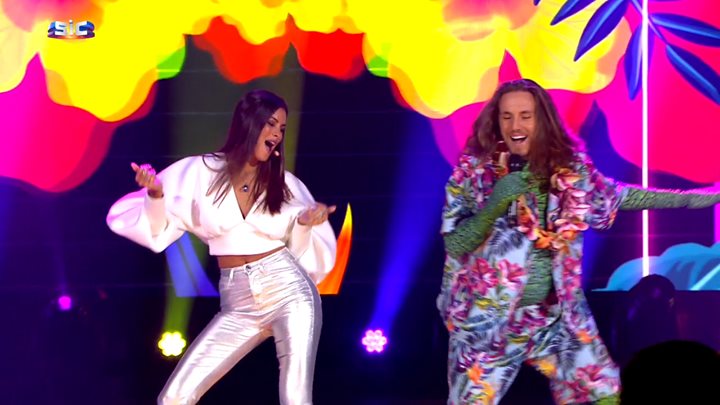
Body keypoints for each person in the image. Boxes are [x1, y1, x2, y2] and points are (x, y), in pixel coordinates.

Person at [436, 78, 720, 405]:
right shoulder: (473, 173)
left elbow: (622, 196)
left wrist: (695, 199)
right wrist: (495, 204)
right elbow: (456, 243)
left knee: (607, 395)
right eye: (507, 116)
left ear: (543, 120)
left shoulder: (571, 170)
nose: (516, 126)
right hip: (488, 319)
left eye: (526, 116)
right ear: (496, 121)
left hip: (558, 320)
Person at [106, 89, 337, 405]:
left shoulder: (284, 183)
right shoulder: (200, 171)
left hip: (288, 291)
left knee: (295, 397)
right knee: (173, 397)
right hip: (238, 301)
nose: (276, 135)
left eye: (282, 128)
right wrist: (156, 195)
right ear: (249, 124)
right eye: (270, 124)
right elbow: (156, 230)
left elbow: (300, 252)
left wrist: (306, 223)